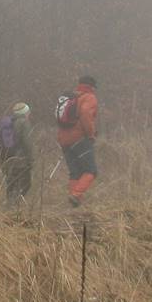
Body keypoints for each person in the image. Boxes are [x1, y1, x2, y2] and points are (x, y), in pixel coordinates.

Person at [55, 76, 99, 207]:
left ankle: (74, 204)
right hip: (79, 139)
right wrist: (91, 134)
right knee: (91, 170)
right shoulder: (89, 97)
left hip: (64, 141)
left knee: (75, 172)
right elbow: (85, 113)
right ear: (92, 87)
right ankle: (75, 195)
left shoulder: (71, 97)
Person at [0, 101, 35, 207]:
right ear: (25, 112)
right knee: (26, 183)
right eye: (28, 111)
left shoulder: (8, 122)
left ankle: (9, 204)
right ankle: (13, 205)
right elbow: (27, 143)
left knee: (11, 182)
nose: (29, 113)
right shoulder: (23, 123)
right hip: (20, 159)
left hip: (7, 158)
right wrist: (30, 159)